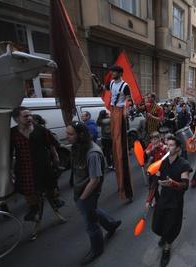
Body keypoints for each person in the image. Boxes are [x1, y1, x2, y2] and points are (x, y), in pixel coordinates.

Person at [66, 121, 121, 265]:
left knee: (90, 223)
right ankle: (111, 224)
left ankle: (97, 249)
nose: (67, 137)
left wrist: (82, 198)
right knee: (93, 211)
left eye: (70, 134)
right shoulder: (78, 147)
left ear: (81, 135)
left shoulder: (93, 153)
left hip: (88, 193)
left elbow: (95, 180)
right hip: (81, 190)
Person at [11, 106, 64, 222]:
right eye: (25, 116)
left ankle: (55, 200)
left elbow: (51, 145)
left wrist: (55, 158)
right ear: (16, 119)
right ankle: (33, 209)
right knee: (28, 189)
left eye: (30, 115)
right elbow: (9, 152)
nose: (29, 118)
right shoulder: (13, 133)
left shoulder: (40, 129)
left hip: (43, 164)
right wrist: (10, 170)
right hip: (24, 167)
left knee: (50, 183)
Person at [145, 136, 192, 267]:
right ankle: (164, 237)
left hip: (175, 202)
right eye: (167, 144)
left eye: (171, 145)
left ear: (177, 149)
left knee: (170, 227)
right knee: (157, 225)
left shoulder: (184, 164)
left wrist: (173, 184)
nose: (167, 147)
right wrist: (149, 199)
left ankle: (167, 249)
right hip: (163, 200)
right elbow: (155, 182)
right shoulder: (162, 162)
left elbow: (185, 185)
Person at [104, 65, 133, 202]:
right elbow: (103, 89)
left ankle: (126, 189)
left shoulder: (125, 86)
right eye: (111, 71)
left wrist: (126, 108)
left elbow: (129, 99)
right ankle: (119, 182)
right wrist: (95, 80)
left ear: (120, 73)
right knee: (114, 148)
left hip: (120, 113)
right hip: (113, 112)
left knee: (121, 151)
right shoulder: (110, 83)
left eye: (114, 72)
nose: (112, 73)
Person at [145, 131, 168, 206]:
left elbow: (168, 156)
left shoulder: (163, 146)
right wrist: (153, 148)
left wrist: (165, 148)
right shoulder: (150, 145)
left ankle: (163, 200)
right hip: (152, 169)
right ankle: (157, 200)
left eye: (156, 139)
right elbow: (146, 153)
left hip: (162, 169)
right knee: (152, 186)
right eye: (153, 139)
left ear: (159, 139)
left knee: (164, 185)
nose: (154, 141)